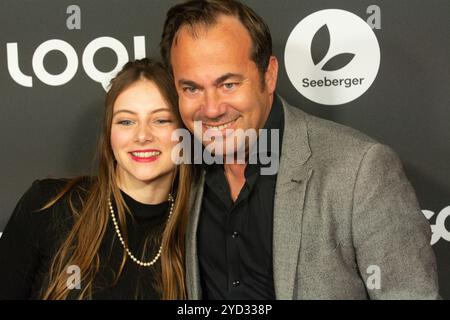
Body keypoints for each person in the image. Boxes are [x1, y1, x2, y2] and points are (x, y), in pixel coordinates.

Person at [160, 0, 440, 299]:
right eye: (191, 88)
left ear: (268, 75)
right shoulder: (182, 171)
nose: (212, 109)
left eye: (228, 84)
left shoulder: (360, 170)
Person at [0, 58, 192, 299]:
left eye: (161, 120)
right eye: (126, 121)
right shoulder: (50, 206)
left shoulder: (200, 232)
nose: (142, 135)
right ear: (109, 134)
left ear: (185, 131)